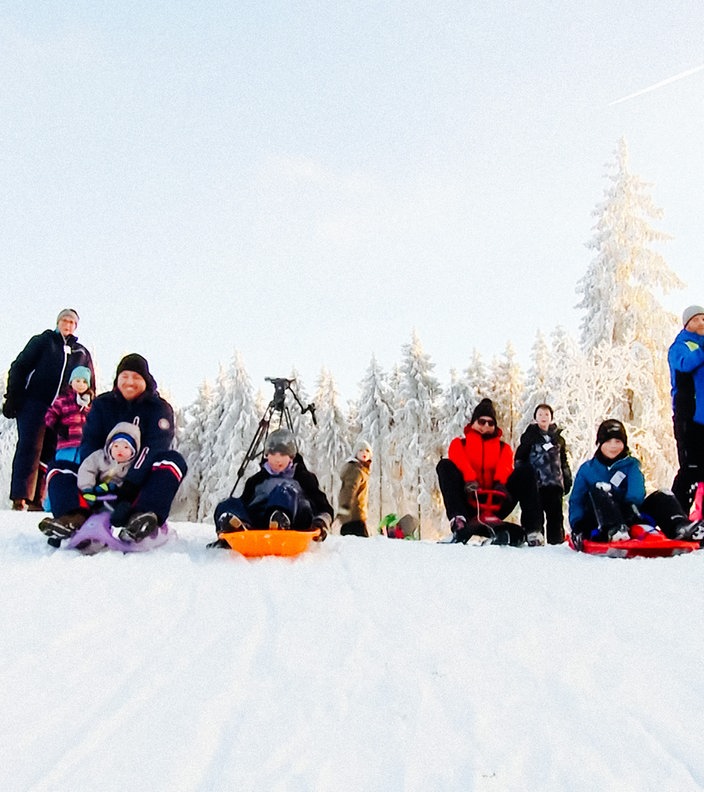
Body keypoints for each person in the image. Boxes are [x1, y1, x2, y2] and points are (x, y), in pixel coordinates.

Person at [38, 354, 187, 543]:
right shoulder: (103, 404)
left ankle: (141, 517)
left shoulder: (158, 409)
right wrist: (90, 479)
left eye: (136, 377)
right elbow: (90, 443)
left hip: (138, 485)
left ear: (146, 380)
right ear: (117, 380)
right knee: (58, 467)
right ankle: (72, 517)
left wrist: (130, 486)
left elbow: (155, 447)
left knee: (172, 461)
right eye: (124, 376)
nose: (129, 382)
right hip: (100, 481)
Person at [2, 309, 94, 511]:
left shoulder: (81, 352)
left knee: (51, 452)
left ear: (76, 326)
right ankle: (21, 497)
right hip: (35, 402)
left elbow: (89, 384)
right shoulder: (44, 342)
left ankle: (38, 500)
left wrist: (86, 407)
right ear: (58, 322)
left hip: (64, 409)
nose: (67, 325)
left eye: (72, 322)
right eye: (64, 321)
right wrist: (13, 396)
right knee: (30, 446)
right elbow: (20, 366)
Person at [568, 418, 702, 550]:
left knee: (662, 495)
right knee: (600, 488)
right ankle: (615, 530)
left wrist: (631, 507)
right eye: (608, 441)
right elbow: (576, 500)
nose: (613, 446)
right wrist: (578, 525)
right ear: (600, 443)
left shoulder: (631, 465)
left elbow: (636, 490)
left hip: (630, 513)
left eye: (618, 441)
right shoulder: (588, 469)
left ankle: (680, 526)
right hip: (599, 520)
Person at [436, 398, 541, 545]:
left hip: (497, 501)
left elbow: (504, 467)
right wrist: (470, 480)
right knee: (445, 465)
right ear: (473, 422)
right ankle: (459, 520)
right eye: (481, 421)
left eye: (490, 423)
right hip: (470, 501)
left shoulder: (503, 448)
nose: (486, 426)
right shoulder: (460, 444)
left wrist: (500, 483)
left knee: (526, 471)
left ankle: (532, 530)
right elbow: (459, 460)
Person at [212, 428, 333, 545]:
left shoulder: (303, 478)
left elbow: (324, 508)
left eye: (283, 454)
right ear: (266, 455)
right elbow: (244, 504)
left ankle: (280, 521)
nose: (277, 459)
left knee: (284, 491)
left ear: (291, 456)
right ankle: (235, 529)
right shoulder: (256, 480)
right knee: (228, 504)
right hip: (260, 522)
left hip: (296, 520)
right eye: (273, 453)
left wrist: (320, 523)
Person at [514, 403, 572, 544]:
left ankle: (556, 541)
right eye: (540, 414)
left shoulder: (558, 439)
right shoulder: (529, 437)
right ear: (535, 418)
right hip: (535, 484)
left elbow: (563, 460)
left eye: (546, 414)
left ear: (551, 417)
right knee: (534, 513)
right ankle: (534, 535)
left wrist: (566, 478)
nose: (543, 417)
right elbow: (519, 458)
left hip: (554, 483)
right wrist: (522, 479)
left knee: (556, 515)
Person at [668, 304, 704, 511]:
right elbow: (684, 364)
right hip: (688, 416)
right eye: (697, 319)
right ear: (687, 323)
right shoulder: (680, 345)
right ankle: (674, 515)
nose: (701, 323)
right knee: (690, 469)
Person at [77, 421, 141, 509]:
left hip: (117, 495)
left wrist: (117, 487)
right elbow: (87, 469)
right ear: (110, 446)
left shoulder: (132, 465)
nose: (120, 450)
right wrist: (87, 488)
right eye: (116, 446)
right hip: (95, 490)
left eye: (126, 447)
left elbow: (134, 480)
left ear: (133, 451)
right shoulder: (100, 457)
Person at [44, 365, 93, 464]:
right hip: (67, 444)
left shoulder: (90, 403)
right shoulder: (63, 400)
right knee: (64, 469)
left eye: (84, 382)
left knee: (82, 471)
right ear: (71, 382)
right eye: (77, 381)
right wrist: (57, 426)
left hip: (85, 445)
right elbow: (49, 415)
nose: (81, 384)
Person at [336, 439, 372, 537]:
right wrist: (344, 511)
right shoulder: (356, 470)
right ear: (355, 453)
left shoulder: (361, 470)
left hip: (354, 518)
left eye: (367, 451)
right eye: (360, 450)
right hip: (355, 519)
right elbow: (348, 491)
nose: (364, 453)